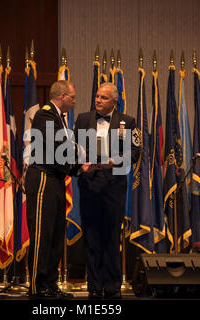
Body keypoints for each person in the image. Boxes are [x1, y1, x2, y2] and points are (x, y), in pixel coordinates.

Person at [74, 82, 141, 299]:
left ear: (115, 101)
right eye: (97, 96)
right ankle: (94, 286)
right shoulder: (83, 119)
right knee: (92, 236)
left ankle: (112, 287)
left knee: (111, 237)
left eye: (103, 97)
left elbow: (134, 152)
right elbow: (74, 148)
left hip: (114, 186)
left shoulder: (128, 122)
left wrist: (112, 161)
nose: (98, 100)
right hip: (89, 184)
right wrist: (81, 162)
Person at [25, 80, 90, 299]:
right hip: (43, 177)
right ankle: (37, 286)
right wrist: (78, 164)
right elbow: (58, 147)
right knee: (42, 234)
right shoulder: (46, 115)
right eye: (72, 97)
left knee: (54, 235)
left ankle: (50, 284)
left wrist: (76, 165)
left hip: (55, 178)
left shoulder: (57, 117)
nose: (74, 101)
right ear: (62, 96)